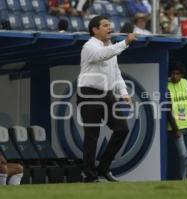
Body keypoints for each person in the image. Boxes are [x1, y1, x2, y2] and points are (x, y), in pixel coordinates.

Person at [76, 15, 137, 182]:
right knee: (92, 135)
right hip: (89, 93)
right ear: (95, 30)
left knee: (122, 129)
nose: (109, 27)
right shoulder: (89, 46)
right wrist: (125, 43)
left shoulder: (110, 45)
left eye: (110, 25)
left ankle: (103, 167)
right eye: (105, 25)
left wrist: (124, 92)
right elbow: (102, 55)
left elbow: (115, 72)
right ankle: (90, 175)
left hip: (108, 94)